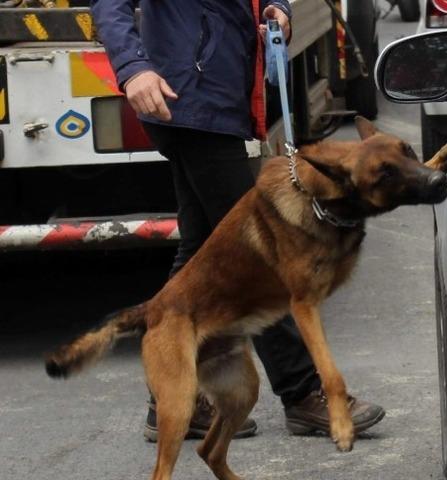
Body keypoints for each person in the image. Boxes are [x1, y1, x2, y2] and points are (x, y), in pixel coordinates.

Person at [90, 0, 385, 441]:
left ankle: (175, 400)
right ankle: (303, 392)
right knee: (262, 254)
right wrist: (133, 67)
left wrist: (276, 7)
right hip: (186, 96)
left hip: (214, 97)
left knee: (201, 249)